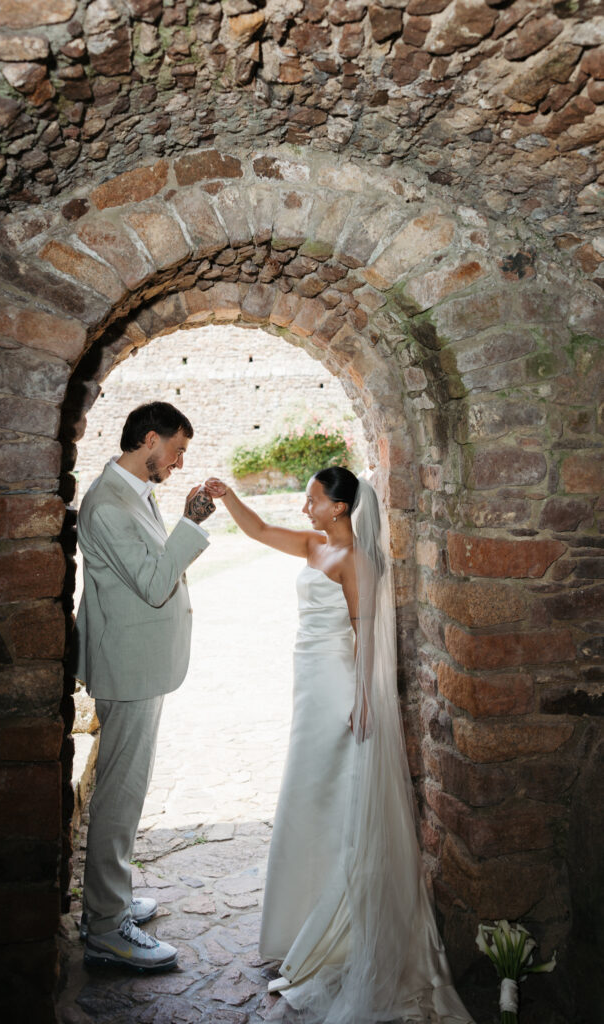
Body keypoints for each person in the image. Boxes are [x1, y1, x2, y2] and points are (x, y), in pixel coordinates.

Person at [206, 467, 474, 1023]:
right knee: (306, 794)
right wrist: (227, 495)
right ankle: (301, 917)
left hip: (335, 686)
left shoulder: (357, 561)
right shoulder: (311, 544)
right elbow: (256, 531)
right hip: (307, 681)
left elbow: (366, 632)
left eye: (313, 500)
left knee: (329, 793)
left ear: (340, 508)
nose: (305, 507)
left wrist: (364, 696)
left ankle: (338, 922)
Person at [73, 401, 216, 973]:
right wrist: (192, 523)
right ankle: (107, 929)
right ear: (149, 440)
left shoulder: (133, 493)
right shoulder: (108, 505)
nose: (180, 462)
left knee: (128, 789)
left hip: (138, 661)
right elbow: (157, 582)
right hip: (126, 667)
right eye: (176, 450)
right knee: (119, 794)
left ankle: (111, 901)